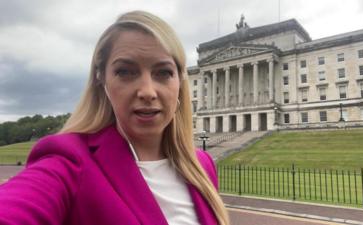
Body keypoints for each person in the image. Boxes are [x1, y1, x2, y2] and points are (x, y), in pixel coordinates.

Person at [0, 11, 229, 225]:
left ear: (180, 82)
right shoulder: (69, 160)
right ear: (102, 80)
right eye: (126, 72)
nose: (148, 92)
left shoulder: (201, 165)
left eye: (163, 72)